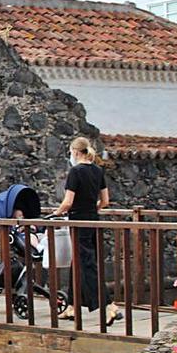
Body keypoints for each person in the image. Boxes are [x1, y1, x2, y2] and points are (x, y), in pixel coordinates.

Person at [53, 137, 121, 325]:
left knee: (86, 264)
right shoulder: (97, 170)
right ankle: (72, 306)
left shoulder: (75, 172)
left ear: (75, 152)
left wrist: (56, 213)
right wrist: (93, 210)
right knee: (81, 261)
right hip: (93, 220)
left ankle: (108, 306)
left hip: (78, 221)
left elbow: (68, 201)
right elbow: (105, 200)